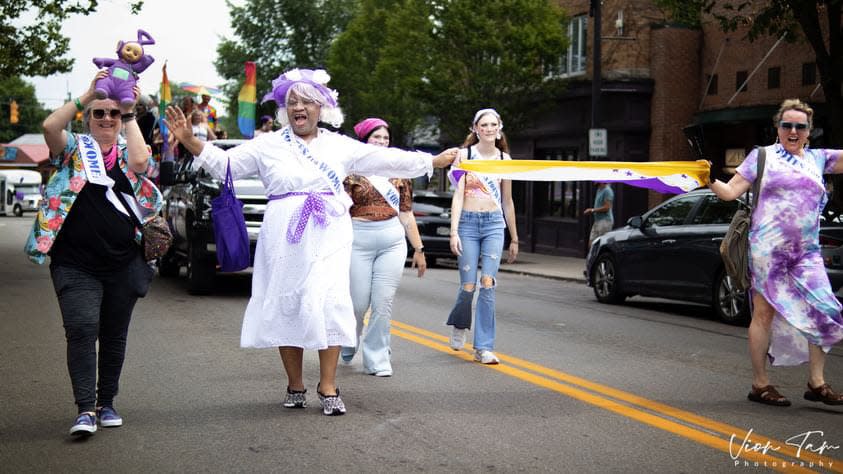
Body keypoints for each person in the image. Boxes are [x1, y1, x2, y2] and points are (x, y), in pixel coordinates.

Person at [163, 68, 457, 415]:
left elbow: (384, 158)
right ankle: (295, 383)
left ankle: (328, 385)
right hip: (284, 233)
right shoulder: (268, 144)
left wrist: (431, 161)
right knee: (289, 302)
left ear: (322, 107)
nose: (298, 106)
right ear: (285, 110)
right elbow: (226, 165)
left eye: (306, 101)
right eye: (292, 102)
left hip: (330, 230)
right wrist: (191, 140)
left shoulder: (338, 144)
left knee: (331, 301)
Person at [23, 71, 163, 436]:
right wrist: (89, 94)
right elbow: (50, 126)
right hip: (74, 263)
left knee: (114, 334)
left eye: (113, 114)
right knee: (83, 329)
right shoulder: (73, 148)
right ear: (88, 118)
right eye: (99, 114)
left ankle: (107, 403)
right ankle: (85, 409)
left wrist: (130, 111)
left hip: (123, 262)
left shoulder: (127, 147)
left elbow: (139, 164)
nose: (106, 119)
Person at [710, 98, 843, 406]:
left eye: (800, 126)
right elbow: (730, 193)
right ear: (778, 128)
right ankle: (760, 384)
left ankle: (816, 382)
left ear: (810, 131)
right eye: (787, 125)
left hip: (806, 253)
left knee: (825, 308)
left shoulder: (819, 159)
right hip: (767, 251)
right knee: (764, 313)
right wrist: (709, 177)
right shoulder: (762, 157)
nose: (793, 131)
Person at [340, 118, 427, 377]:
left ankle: (377, 358)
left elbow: (406, 214)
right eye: (376, 137)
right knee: (357, 303)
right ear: (365, 141)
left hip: (392, 240)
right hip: (358, 240)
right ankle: (348, 339)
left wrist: (419, 250)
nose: (381, 142)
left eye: (385, 138)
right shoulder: (350, 172)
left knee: (383, 302)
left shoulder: (400, 173)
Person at [446, 108, 519, 364]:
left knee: (488, 283)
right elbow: (458, 195)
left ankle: (484, 346)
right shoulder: (465, 156)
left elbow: (508, 201)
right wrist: (454, 231)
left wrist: (514, 238)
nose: (489, 129)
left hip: (493, 225)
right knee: (468, 286)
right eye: (484, 125)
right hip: (467, 223)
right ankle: (459, 323)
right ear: (475, 129)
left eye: (493, 125)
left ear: (499, 128)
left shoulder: (504, 160)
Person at [584, 182, 614, 247]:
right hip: (597, 220)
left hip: (605, 221)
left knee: (601, 245)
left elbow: (607, 208)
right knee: (591, 244)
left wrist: (592, 210)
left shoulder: (607, 191)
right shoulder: (599, 189)